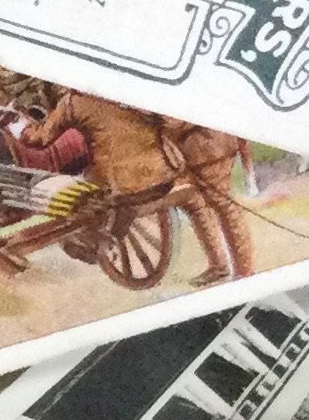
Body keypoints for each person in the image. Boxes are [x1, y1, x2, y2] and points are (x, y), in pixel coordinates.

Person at [27, 90, 253, 286]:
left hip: (204, 143)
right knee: (195, 201)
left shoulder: (77, 102)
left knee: (223, 205)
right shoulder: (117, 95)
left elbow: (171, 121)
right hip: (177, 157)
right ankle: (219, 265)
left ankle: (245, 273)